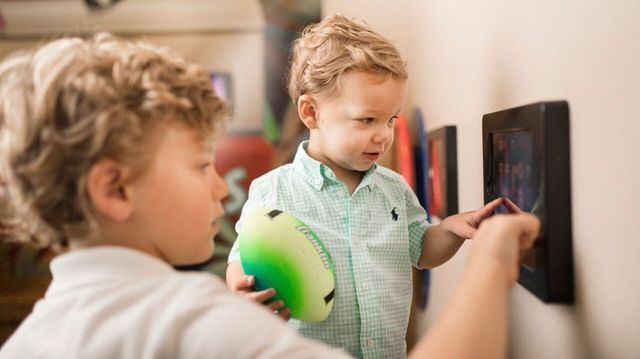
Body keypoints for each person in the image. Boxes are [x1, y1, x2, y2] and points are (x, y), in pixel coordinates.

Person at [0, 33, 541, 359]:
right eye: (198, 165)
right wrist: (494, 261)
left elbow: (419, 244)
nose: (220, 187)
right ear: (115, 189)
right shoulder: (191, 322)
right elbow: (244, 268)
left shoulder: (25, 343)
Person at [225, 14, 504, 358]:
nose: (384, 135)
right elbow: (241, 258)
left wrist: (451, 229)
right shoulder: (274, 190)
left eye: (391, 119)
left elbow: (423, 251)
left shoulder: (394, 188)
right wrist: (240, 287)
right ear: (311, 113)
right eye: (366, 120)